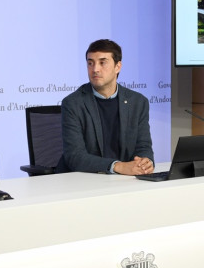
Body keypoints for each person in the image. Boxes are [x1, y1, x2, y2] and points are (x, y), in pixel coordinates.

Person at [56, 39, 154, 175]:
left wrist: (145, 162)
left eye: (102, 63)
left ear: (118, 66)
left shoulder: (138, 102)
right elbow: (75, 156)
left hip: (123, 181)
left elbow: (143, 146)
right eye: (90, 63)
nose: (95, 69)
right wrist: (117, 166)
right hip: (85, 180)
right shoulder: (73, 103)